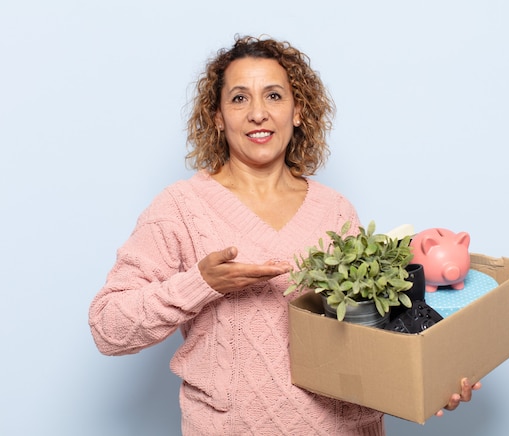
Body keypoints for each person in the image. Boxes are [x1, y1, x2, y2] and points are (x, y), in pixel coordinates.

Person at [88, 35, 480, 436]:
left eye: (274, 96)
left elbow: (373, 336)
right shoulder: (181, 208)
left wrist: (431, 379)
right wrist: (200, 284)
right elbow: (108, 329)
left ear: (297, 112)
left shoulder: (336, 210)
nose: (258, 113)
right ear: (218, 116)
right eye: (239, 98)